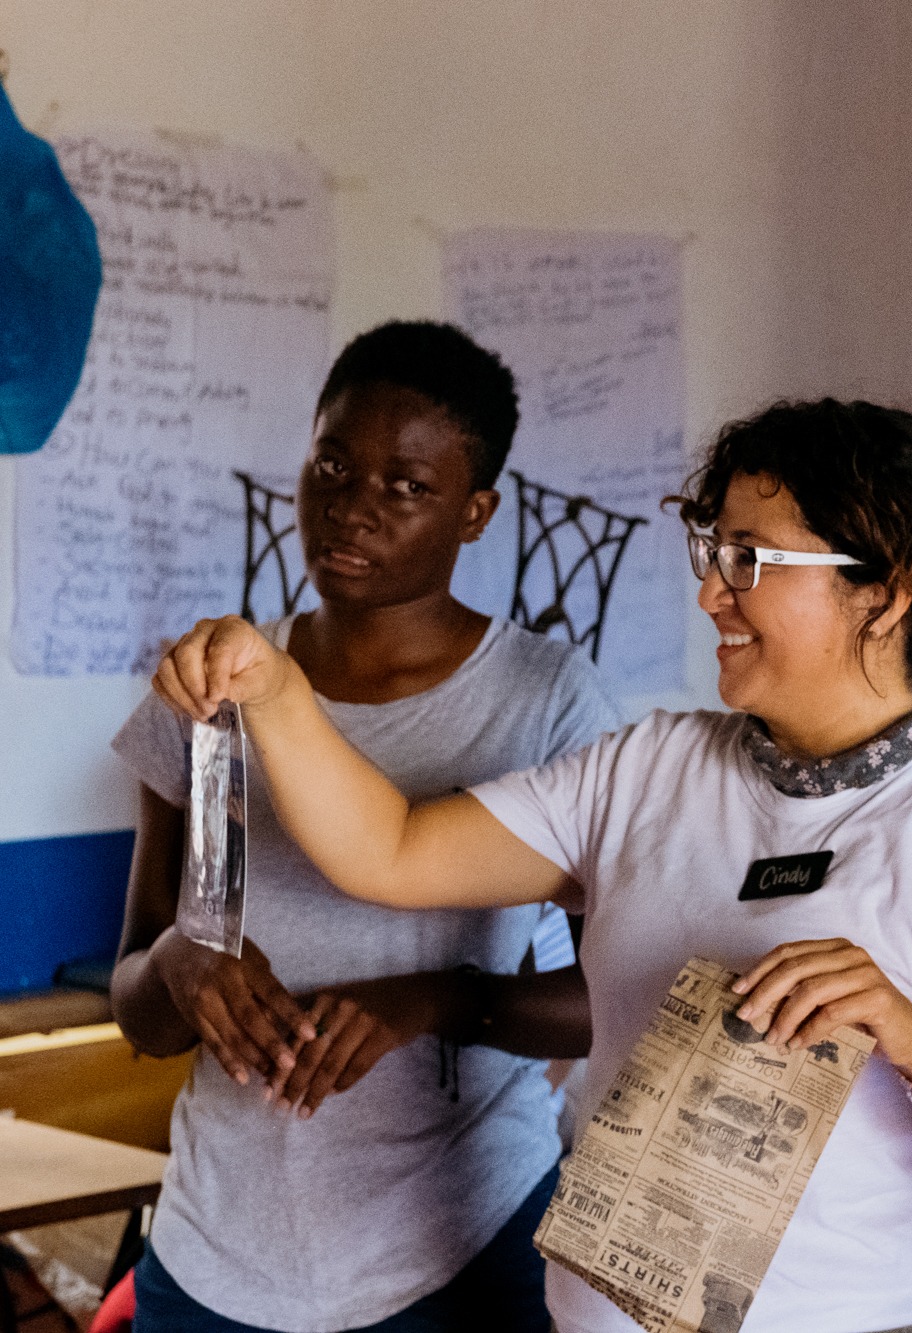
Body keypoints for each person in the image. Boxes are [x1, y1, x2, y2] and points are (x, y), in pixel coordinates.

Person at [147, 398, 912, 1333]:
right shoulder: (650, 768)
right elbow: (390, 848)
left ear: (885, 589)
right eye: (712, 550)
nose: (710, 593)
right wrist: (273, 692)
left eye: (750, 560)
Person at [110, 321, 619, 1333]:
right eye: (332, 464)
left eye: (405, 485)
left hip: (460, 1245)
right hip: (218, 1254)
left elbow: (613, 997)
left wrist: (434, 999)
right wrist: (179, 961)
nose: (349, 506)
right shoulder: (214, 684)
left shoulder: (545, 701)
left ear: (474, 513)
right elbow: (137, 1010)